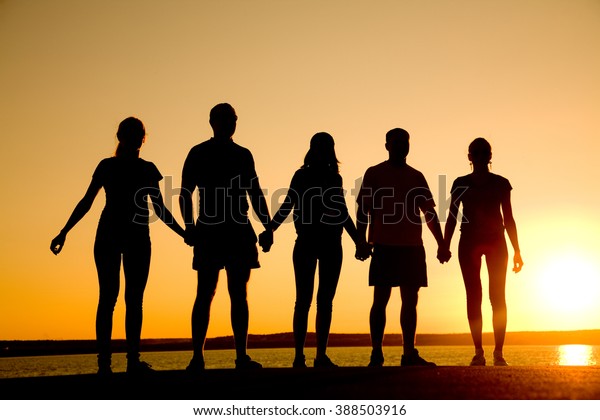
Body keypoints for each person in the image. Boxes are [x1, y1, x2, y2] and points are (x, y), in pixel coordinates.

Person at [50, 117, 186, 376]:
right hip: (113, 235)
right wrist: (64, 231)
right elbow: (87, 201)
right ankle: (107, 364)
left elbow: (159, 207)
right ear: (125, 138)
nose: (136, 139)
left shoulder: (145, 168)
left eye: (138, 135)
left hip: (132, 237)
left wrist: (183, 233)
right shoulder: (110, 166)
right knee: (112, 298)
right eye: (132, 135)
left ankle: (129, 361)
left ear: (141, 139)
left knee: (130, 300)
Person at [261, 133, 371, 368]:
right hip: (309, 241)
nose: (322, 152)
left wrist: (358, 241)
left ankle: (318, 355)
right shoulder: (304, 176)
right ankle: (301, 356)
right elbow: (288, 204)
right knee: (306, 300)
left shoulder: (333, 178)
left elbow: (340, 211)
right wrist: (270, 230)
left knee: (321, 301)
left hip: (329, 242)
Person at [180, 103, 272, 372]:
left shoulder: (243, 155)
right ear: (212, 122)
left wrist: (267, 227)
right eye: (223, 119)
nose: (228, 123)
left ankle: (241, 356)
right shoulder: (198, 153)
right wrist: (189, 227)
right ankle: (197, 356)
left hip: (238, 230)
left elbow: (254, 193)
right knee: (205, 292)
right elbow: (185, 192)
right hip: (209, 230)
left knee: (238, 294)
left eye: (232, 119)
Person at [356, 128, 450, 367]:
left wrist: (441, 243)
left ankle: (408, 353)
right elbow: (363, 210)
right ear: (387, 145)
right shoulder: (374, 173)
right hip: (384, 245)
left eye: (405, 143)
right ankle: (376, 352)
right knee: (380, 299)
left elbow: (429, 213)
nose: (400, 147)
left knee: (410, 301)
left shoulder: (416, 177)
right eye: (396, 143)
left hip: (411, 247)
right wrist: (360, 241)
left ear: (409, 146)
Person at [443, 137, 523, 366]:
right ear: (469, 156)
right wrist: (444, 245)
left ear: (490, 156)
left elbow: (509, 218)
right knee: (473, 295)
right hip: (468, 240)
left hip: (496, 241)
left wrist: (517, 250)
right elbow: (452, 216)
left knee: (497, 297)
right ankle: (478, 351)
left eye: (483, 152)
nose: (479, 156)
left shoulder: (501, 183)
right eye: (475, 153)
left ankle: (499, 352)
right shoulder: (460, 183)